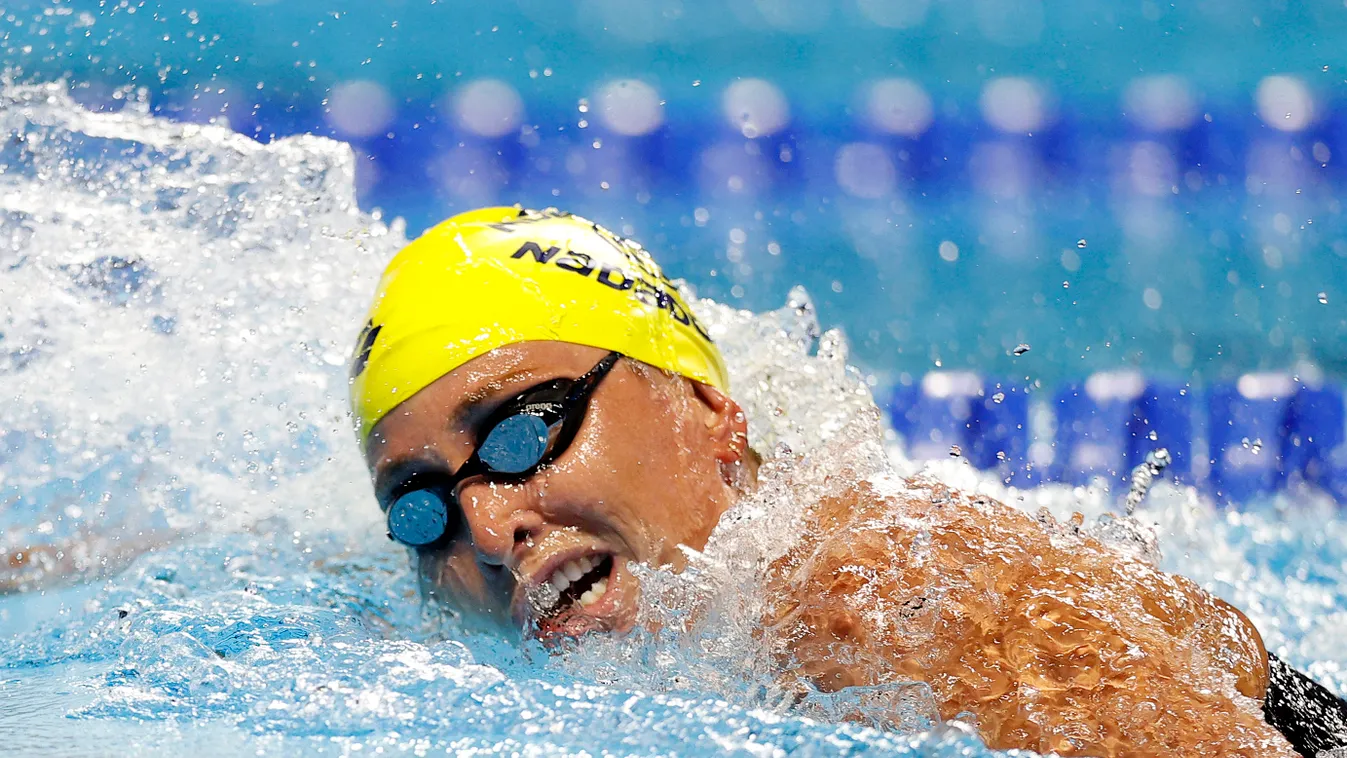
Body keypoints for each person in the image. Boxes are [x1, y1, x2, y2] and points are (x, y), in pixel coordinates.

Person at [351, 206, 1347, 757]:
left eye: (527, 429)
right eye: (422, 504)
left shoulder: (868, 598)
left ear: (705, 406)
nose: (483, 527)